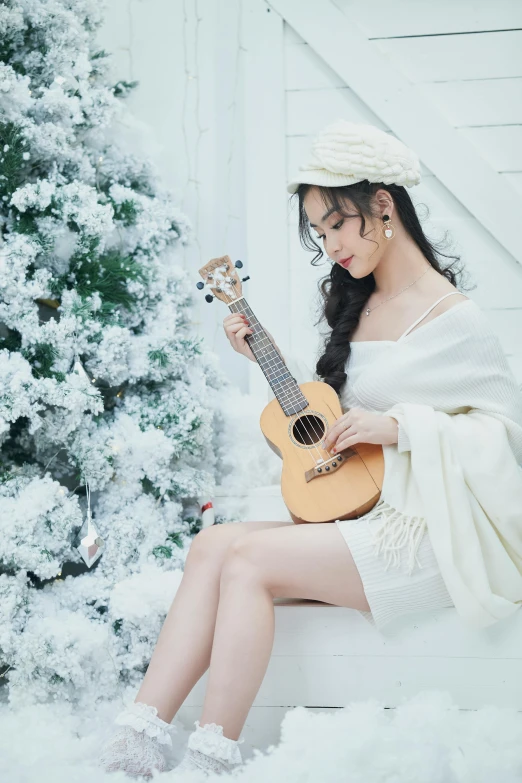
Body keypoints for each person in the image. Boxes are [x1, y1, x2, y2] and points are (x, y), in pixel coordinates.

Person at [99, 120, 522, 778]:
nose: (329, 246)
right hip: (366, 508)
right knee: (213, 543)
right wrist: (258, 352)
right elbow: (330, 412)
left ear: (383, 205)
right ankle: (139, 735)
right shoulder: (362, 304)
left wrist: (401, 428)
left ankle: (212, 752)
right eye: (318, 233)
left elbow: (502, 435)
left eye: (336, 225)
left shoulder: (453, 317)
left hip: (425, 531)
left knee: (248, 561)